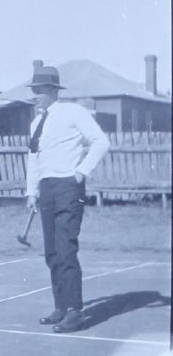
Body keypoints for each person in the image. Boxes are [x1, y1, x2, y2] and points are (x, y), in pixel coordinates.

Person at [25, 65, 110, 333]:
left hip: (68, 188)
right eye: (34, 90)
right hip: (46, 188)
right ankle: (61, 306)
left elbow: (100, 141)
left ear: (52, 90)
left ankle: (75, 312)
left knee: (65, 248)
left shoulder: (73, 112)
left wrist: (81, 172)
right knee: (51, 251)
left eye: (39, 90)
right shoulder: (36, 122)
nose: (35, 95)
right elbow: (33, 158)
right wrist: (31, 191)